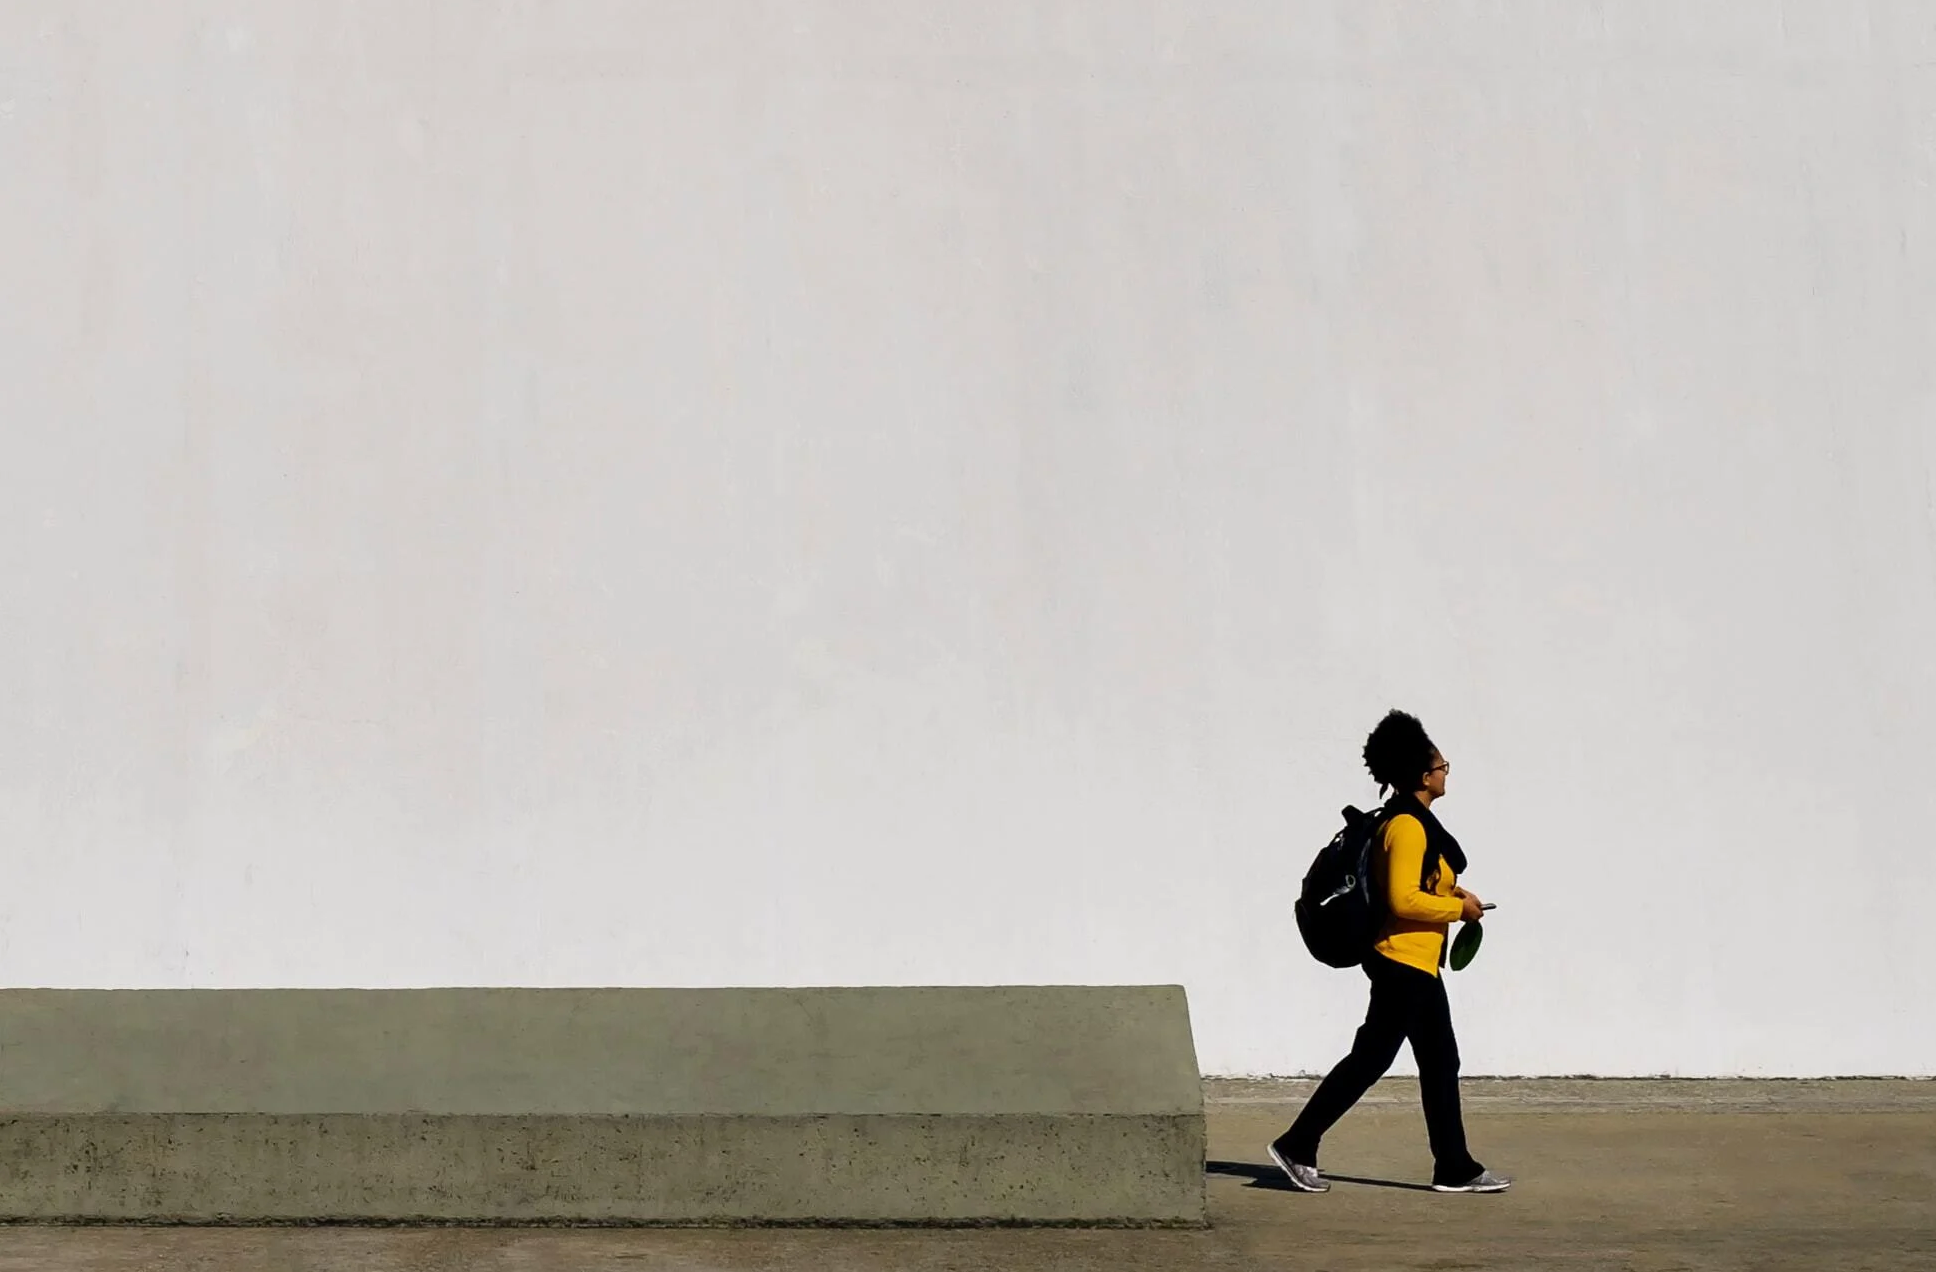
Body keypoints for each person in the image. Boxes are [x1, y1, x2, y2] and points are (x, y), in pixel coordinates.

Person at [1267, 709, 1512, 1194]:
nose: (1445, 774)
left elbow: (1419, 887)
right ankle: (1298, 1143)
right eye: (1442, 767)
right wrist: (1456, 912)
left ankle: (1454, 1165)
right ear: (1423, 777)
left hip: (1416, 963)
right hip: (1401, 961)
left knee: (1438, 1061)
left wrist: (1456, 897)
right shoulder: (1406, 827)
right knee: (1372, 1060)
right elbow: (1402, 898)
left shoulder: (1416, 823)